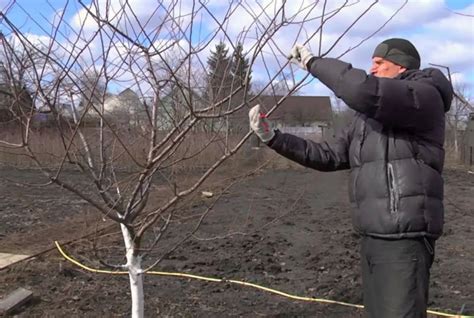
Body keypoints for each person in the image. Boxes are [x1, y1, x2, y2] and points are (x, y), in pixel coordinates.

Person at [248, 38, 453, 318]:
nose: (372, 67)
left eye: (380, 62)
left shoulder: (423, 95)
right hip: (372, 233)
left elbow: (362, 90)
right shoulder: (365, 118)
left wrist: (313, 63)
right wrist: (273, 138)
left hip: (404, 235)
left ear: (402, 66)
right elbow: (328, 155)